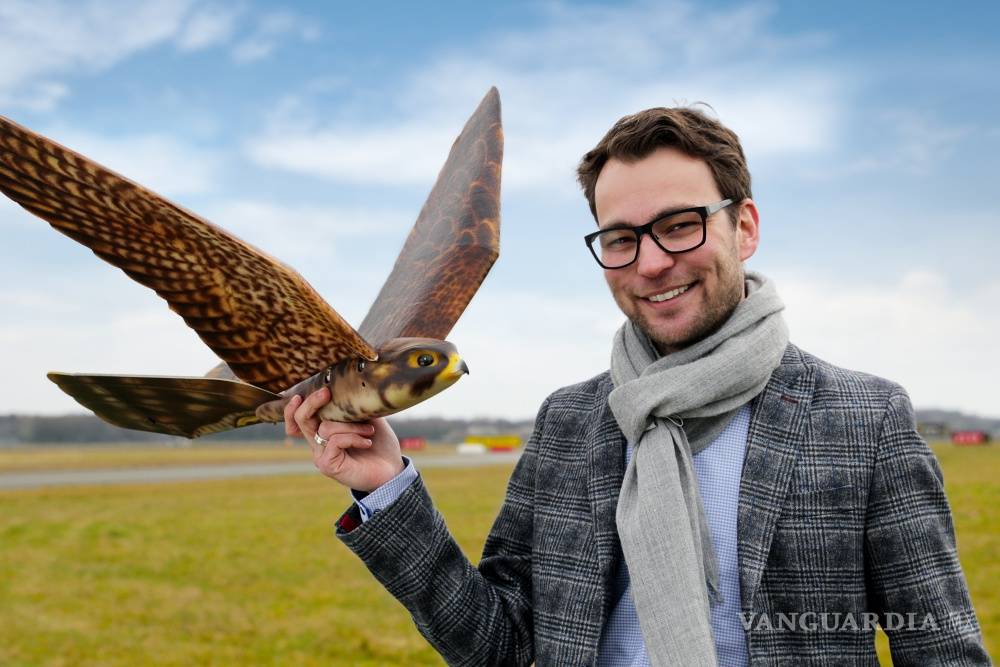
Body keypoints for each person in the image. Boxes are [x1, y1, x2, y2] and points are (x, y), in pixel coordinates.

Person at [284, 107, 990, 666]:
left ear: (744, 227)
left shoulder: (865, 419)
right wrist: (386, 484)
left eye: (680, 226)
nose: (651, 262)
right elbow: (494, 643)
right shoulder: (568, 422)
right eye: (620, 238)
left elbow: (940, 649)